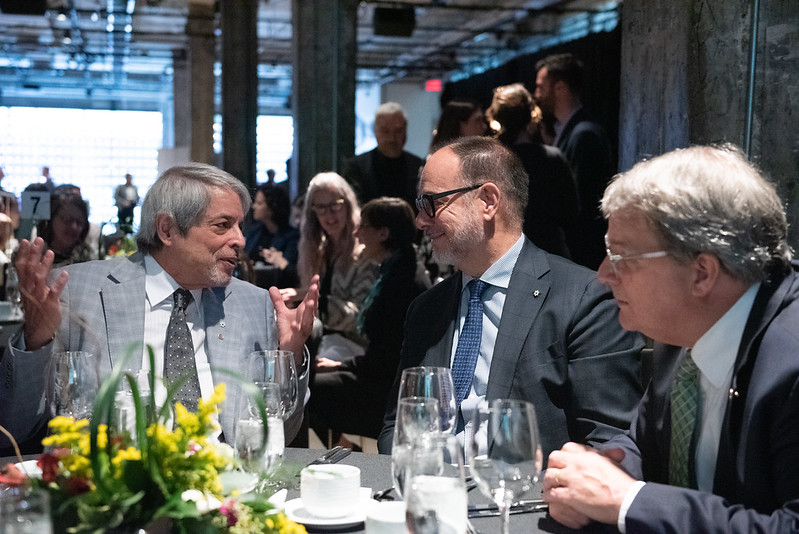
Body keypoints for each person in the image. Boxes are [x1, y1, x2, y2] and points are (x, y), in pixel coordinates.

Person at [543, 144, 799, 533]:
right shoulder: (682, 329)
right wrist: (606, 469)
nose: (603, 274)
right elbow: (642, 443)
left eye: (622, 256)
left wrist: (627, 501)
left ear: (701, 273)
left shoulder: (791, 363)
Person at [0, 163, 319, 451]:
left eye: (239, 225)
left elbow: (281, 436)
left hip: (228, 490)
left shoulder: (254, 304)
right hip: (119, 493)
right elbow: (15, 427)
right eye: (223, 225)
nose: (240, 239)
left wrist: (288, 358)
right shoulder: (77, 293)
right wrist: (35, 339)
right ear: (167, 229)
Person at [377, 136, 644, 457]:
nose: (421, 220)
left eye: (430, 203)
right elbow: (397, 425)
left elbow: (608, 444)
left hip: (522, 497)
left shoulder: (583, 300)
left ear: (488, 201)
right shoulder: (426, 310)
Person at [309, 197, 430, 449]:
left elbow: (386, 358)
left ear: (383, 233)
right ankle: (342, 448)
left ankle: (332, 454)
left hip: (390, 392)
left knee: (308, 390)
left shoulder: (402, 281)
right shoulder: (396, 269)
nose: (356, 232)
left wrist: (341, 365)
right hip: (382, 376)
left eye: (363, 226)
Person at [535, 53, 614, 270]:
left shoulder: (584, 135)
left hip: (581, 258)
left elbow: (582, 208)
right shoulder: (572, 132)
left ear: (559, 88)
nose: (537, 95)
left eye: (541, 87)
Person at [486, 83, 579, 259]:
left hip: (503, 256)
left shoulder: (487, 161)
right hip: (549, 252)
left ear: (497, 117)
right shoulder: (552, 157)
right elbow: (571, 212)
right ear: (531, 115)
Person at [285, 172, 377, 345]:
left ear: (348, 205)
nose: (329, 216)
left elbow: (360, 319)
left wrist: (308, 297)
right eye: (321, 208)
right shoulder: (316, 249)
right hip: (321, 341)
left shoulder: (365, 250)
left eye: (335, 205)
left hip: (355, 346)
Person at [341, 102, 425, 209]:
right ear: (375, 131)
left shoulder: (419, 166)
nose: (392, 138)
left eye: (398, 131)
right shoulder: (356, 167)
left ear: (405, 131)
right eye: (385, 131)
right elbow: (354, 208)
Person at [244, 184, 299, 288]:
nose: (254, 206)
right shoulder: (254, 232)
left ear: (272, 207)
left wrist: (280, 262)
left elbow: (295, 274)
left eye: (259, 203)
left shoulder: (292, 237)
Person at [36, 188, 93, 267]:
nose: (74, 227)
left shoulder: (86, 256)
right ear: (50, 220)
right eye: (67, 220)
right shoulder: (36, 255)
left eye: (79, 222)